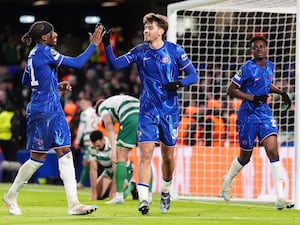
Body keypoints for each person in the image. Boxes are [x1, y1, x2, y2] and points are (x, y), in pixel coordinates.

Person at [2, 20, 105, 216]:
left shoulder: (33, 54)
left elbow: (27, 80)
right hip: (42, 111)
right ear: (43, 37)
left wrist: (53, 86)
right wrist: (94, 45)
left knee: (65, 153)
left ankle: (73, 203)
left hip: (53, 108)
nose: (55, 35)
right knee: (37, 159)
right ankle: (11, 194)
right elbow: (77, 63)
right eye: (52, 33)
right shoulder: (44, 52)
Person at [102, 13, 198, 215]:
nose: (146, 31)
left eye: (150, 28)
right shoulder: (140, 51)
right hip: (146, 110)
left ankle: (165, 191)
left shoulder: (174, 50)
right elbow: (115, 65)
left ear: (161, 31)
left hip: (169, 111)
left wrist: (178, 83)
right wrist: (107, 46)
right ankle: (144, 199)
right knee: (144, 155)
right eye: (145, 28)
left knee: (168, 156)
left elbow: (193, 76)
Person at [222, 35, 294, 210]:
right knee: (245, 157)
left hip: (265, 114)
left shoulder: (270, 66)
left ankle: (280, 197)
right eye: (256, 47)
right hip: (248, 115)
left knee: (273, 151)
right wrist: (253, 98)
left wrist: (280, 92)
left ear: (267, 49)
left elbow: (266, 83)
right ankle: (228, 178)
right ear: (251, 51)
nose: (259, 49)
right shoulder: (246, 68)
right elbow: (231, 90)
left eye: (262, 46)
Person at [95, 94, 152, 204]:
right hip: (146, 115)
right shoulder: (115, 100)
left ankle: (119, 196)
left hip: (131, 117)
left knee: (120, 157)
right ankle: (148, 195)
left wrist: (113, 148)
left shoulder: (102, 107)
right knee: (146, 158)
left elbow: (108, 124)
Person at [88, 130, 138, 201]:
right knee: (98, 196)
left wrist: (112, 191)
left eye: (98, 146)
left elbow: (116, 170)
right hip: (108, 170)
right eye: (95, 146)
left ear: (103, 140)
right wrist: (93, 193)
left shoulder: (112, 146)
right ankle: (109, 191)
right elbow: (93, 170)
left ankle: (131, 185)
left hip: (123, 170)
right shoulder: (92, 148)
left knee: (116, 196)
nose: (97, 148)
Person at [74, 96, 99, 189]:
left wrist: (77, 140)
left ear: (88, 103)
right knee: (92, 161)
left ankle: (83, 183)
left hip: (88, 139)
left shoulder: (84, 113)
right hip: (99, 138)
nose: (81, 105)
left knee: (88, 161)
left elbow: (81, 128)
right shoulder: (96, 112)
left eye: (83, 103)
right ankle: (82, 182)